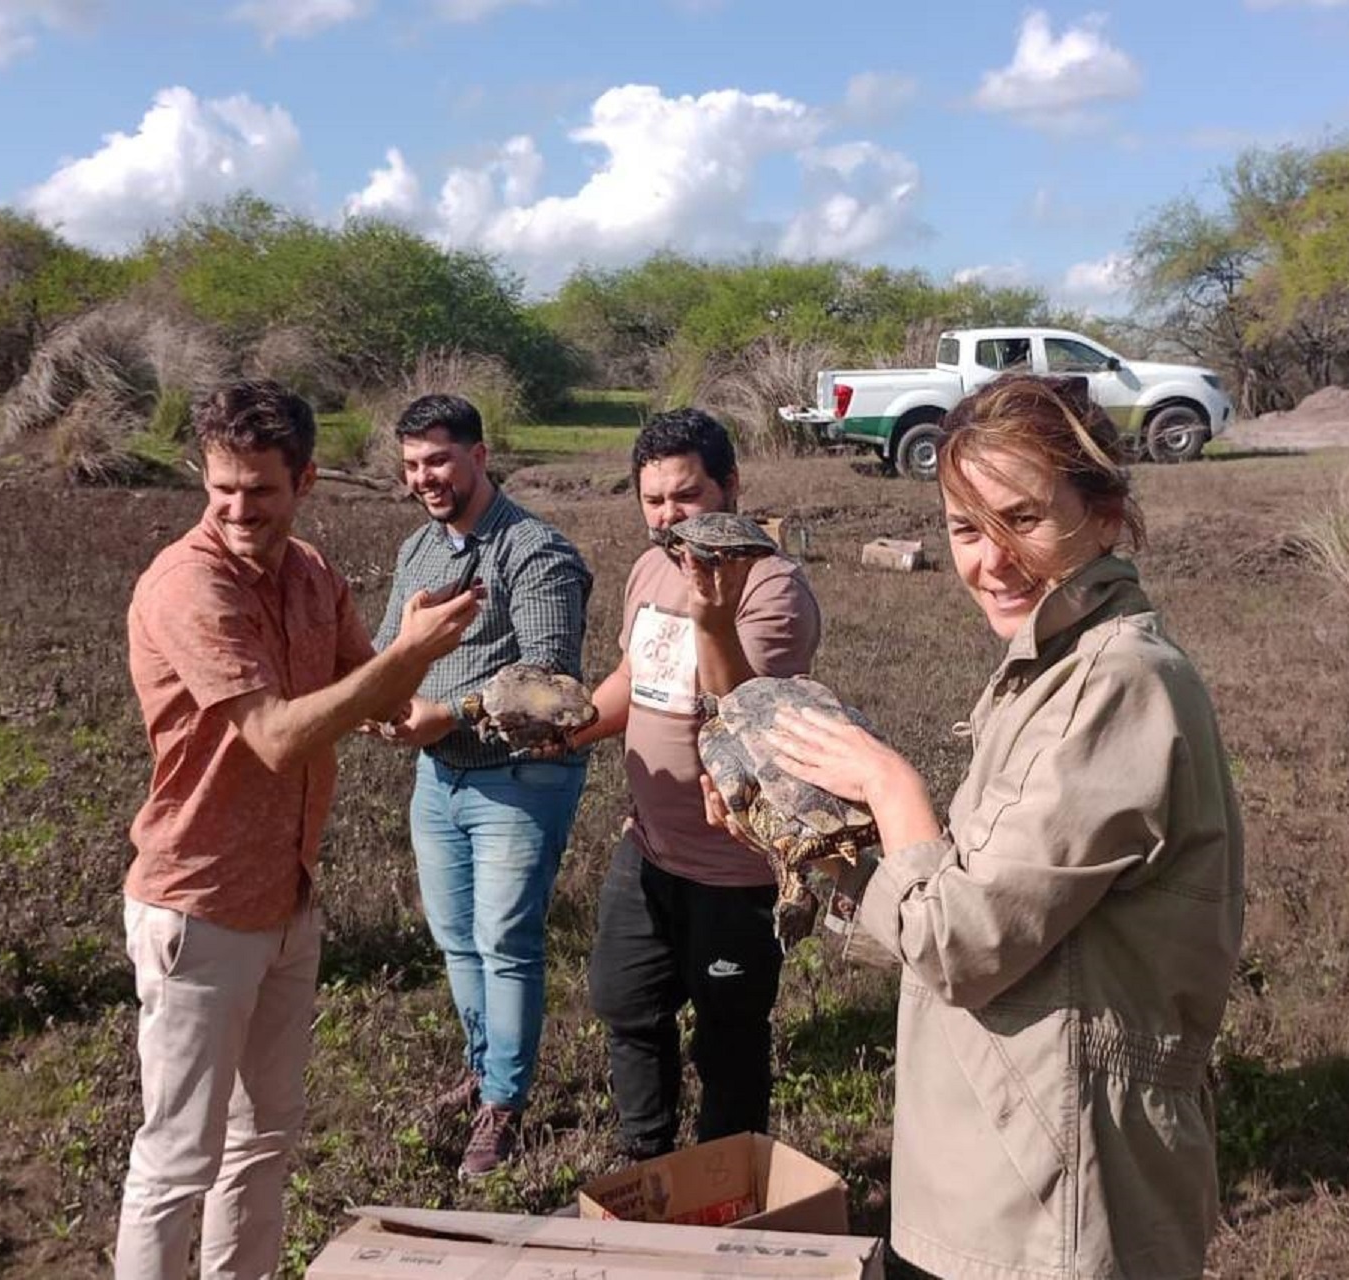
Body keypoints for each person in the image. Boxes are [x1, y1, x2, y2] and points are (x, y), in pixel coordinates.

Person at [706, 373, 1245, 1280]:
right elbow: (942, 920)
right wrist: (796, 847)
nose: (989, 561)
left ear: (1105, 515)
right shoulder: (1047, 670)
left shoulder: (1121, 684)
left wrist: (888, 784)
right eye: (965, 529)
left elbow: (965, 943)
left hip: (1056, 1202)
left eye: (1022, 520)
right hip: (980, 1181)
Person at [118, 381, 480, 1279]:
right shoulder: (189, 584)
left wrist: (422, 704)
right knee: (177, 1161)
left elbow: (369, 691)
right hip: (199, 905)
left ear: (305, 480)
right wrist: (409, 657)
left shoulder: (314, 573)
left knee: (264, 1140)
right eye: (221, 489)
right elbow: (279, 736)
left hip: (287, 896)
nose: (239, 510)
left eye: (260, 491)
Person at [569, 407, 822, 1161]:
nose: (669, 517)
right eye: (653, 501)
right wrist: (568, 727)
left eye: (686, 497)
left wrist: (711, 614)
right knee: (626, 1007)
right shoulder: (651, 569)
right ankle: (644, 1166)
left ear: (731, 488)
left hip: (734, 866)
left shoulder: (773, 589)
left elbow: (742, 711)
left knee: (730, 1034)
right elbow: (631, 677)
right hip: (649, 847)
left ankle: (726, 1185)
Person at [367, 393, 594, 1177]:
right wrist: (379, 701)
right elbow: (388, 646)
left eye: (437, 461)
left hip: (519, 779)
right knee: (456, 939)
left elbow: (555, 685)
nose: (424, 479)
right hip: (440, 777)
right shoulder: (417, 552)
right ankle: (481, 1066)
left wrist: (451, 712)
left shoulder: (535, 553)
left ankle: (504, 1103)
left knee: (505, 942)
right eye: (410, 466)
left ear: (479, 456)